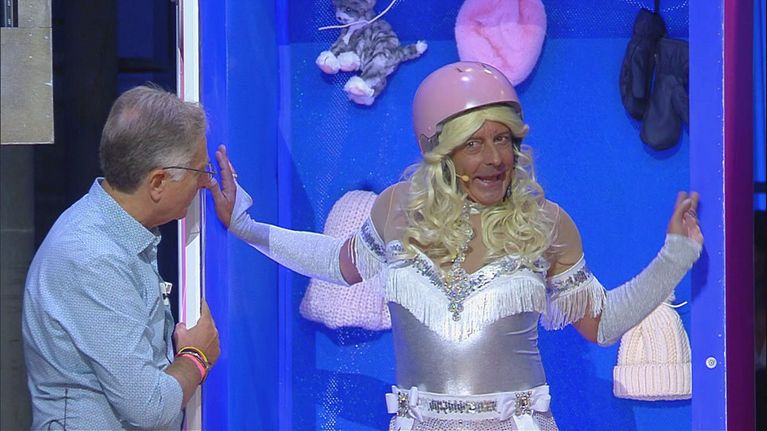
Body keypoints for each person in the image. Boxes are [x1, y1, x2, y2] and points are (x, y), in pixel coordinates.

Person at [210, 62, 703, 430]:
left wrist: (674, 257)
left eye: (503, 140)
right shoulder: (396, 209)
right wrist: (247, 227)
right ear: (436, 150)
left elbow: (602, 323)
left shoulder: (546, 223)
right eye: (473, 143)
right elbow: (337, 264)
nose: (494, 158)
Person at [22, 85, 221, 430]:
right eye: (199, 171)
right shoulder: (92, 258)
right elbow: (149, 407)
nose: (205, 182)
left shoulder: (116, 232)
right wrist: (196, 357)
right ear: (158, 182)